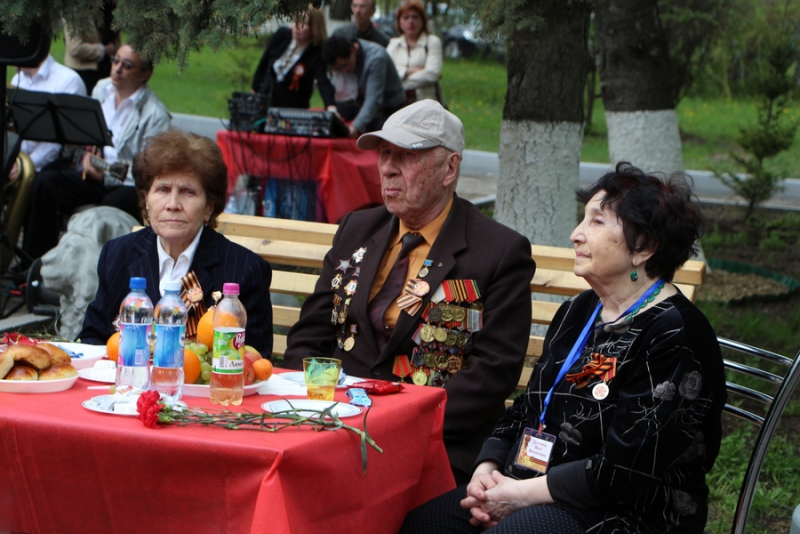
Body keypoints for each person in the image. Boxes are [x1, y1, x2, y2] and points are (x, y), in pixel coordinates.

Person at [400, 163, 727, 534]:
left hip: (633, 510)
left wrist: (519, 496)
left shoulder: (674, 334)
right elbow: (529, 406)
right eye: (582, 220)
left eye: (597, 222)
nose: (576, 234)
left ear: (645, 248)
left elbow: (624, 471)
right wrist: (486, 474)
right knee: (422, 525)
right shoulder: (580, 309)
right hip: (530, 484)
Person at [283, 100, 536, 485]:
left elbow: (491, 377)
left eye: (407, 155)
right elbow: (312, 334)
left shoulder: (498, 252)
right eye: (385, 154)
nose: (388, 167)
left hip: (430, 444)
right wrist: (315, 408)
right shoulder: (358, 228)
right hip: (332, 427)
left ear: (449, 168)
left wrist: (393, 426)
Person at [79, 129, 274, 356]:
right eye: (162, 190)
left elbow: (255, 361)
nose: (173, 204)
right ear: (147, 200)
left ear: (209, 206)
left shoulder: (244, 270)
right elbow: (91, 339)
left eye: (187, 192)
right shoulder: (118, 254)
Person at [22, 44, 171, 260]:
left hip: (127, 185)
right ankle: (33, 263)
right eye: (115, 61)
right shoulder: (102, 89)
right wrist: (86, 152)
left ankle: (94, 273)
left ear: (144, 74)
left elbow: (150, 173)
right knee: (46, 183)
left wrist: (108, 175)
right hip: (92, 174)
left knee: (107, 209)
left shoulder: (155, 115)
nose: (117, 69)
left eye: (127, 66)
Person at [8, 53, 87, 176]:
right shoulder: (17, 79)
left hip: (53, 170)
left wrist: (24, 166)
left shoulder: (68, 81)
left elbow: (56, 144)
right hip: (20, 163)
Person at [250, 6, 335, 109]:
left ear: (314, 28)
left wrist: (331, 106)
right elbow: (263, 64)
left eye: (304, 23)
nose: (297, 26)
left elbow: (323, 82)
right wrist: (254, 90)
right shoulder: (282, 35)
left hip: (291, 107)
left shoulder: (316, 54)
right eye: (296, 20)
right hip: (265, 100)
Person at [322, 35, 406, 138]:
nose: (344, 71)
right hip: (360, 102)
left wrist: (355, 127)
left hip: (389, 109)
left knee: (376, 138)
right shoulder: (344, 52)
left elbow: (373, 100)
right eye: (338, 69)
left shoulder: (376, 58)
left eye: (345, 65)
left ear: (352, 50)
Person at [386, 0, 443, 105]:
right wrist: (413, 70)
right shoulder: (394, 44)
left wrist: (399, 82)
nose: (410, 21)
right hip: (396, 104)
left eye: (415, 17)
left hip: (425, 104)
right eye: (406, 17)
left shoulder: (432, 42)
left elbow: (432, 74)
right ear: (399, 22)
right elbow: (386, 72)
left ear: (423, 21)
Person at [63, 1, 120, 94]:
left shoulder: (110, 6)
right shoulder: (75, 8)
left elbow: (116, 39)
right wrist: (103, 50)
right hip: (83, 72)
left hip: (108, 71)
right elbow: (75, 48)